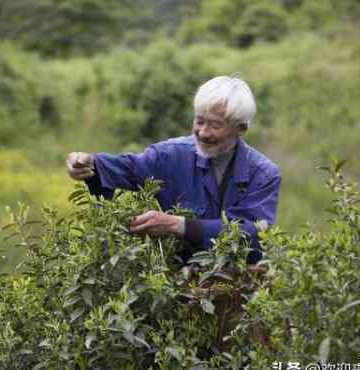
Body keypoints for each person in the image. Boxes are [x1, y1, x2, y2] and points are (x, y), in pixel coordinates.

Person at [66, 75, 281, 263]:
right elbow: (130, 168)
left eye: (215, 126)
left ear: (241, 129)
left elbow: (251, 232)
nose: (203, 133)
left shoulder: (263, 174)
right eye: (199, 121)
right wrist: (91, 163)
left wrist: (178, 225)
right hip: (180, 282)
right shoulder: (172, 154)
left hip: (239, 283)